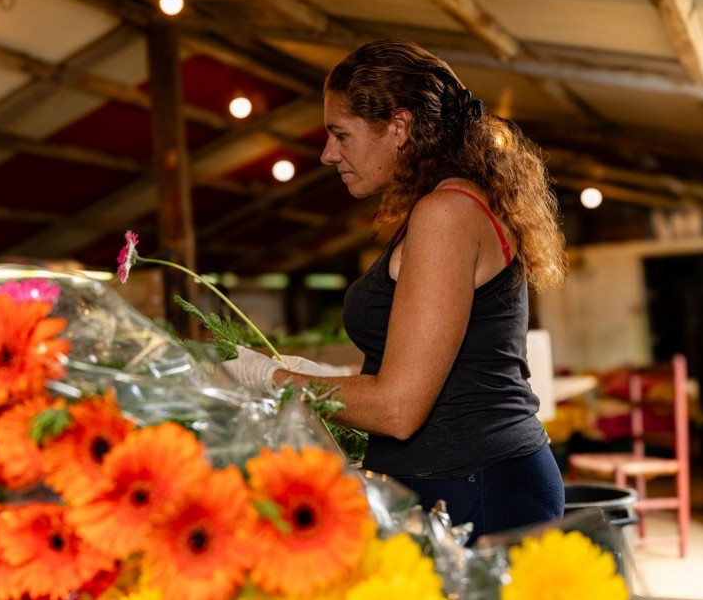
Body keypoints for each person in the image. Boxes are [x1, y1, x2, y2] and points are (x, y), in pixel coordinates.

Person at [222, 38, 569, 543]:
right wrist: (329, 378)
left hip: (478, 488)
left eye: (340, 135)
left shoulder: (446, 213)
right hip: (464, 480)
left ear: (400, 127)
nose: (327, 153)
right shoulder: (447, 205)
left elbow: (397, 409)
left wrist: (272, 378)